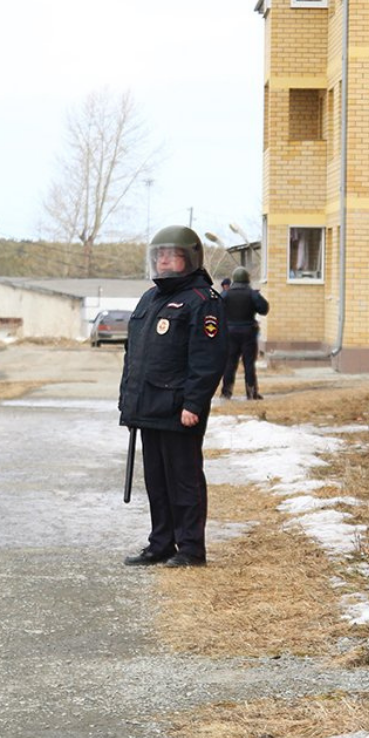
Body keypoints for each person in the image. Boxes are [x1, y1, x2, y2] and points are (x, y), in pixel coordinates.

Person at [119, 225, 229, 568]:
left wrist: (194, 404)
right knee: (157, 481)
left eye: (173, 254)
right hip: (148, 408)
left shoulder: (203, 302)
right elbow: (134, 355)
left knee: (184, 481)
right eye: (160, 255)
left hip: (180, 410)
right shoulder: (149, 299)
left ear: (190, 258)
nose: (164, 261)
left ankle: (192, 549)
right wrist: (128, 404)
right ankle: (161, 544)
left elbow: (208, 361)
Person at [219, 266, 270, 401]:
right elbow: (264, 309)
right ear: (247, 279)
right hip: (248, 333)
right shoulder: (253, 294)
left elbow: (216, 310)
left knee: (230, 363)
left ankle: (226, 392)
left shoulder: (225, 294)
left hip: (230, 333)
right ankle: (251, 393)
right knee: (249, 364)